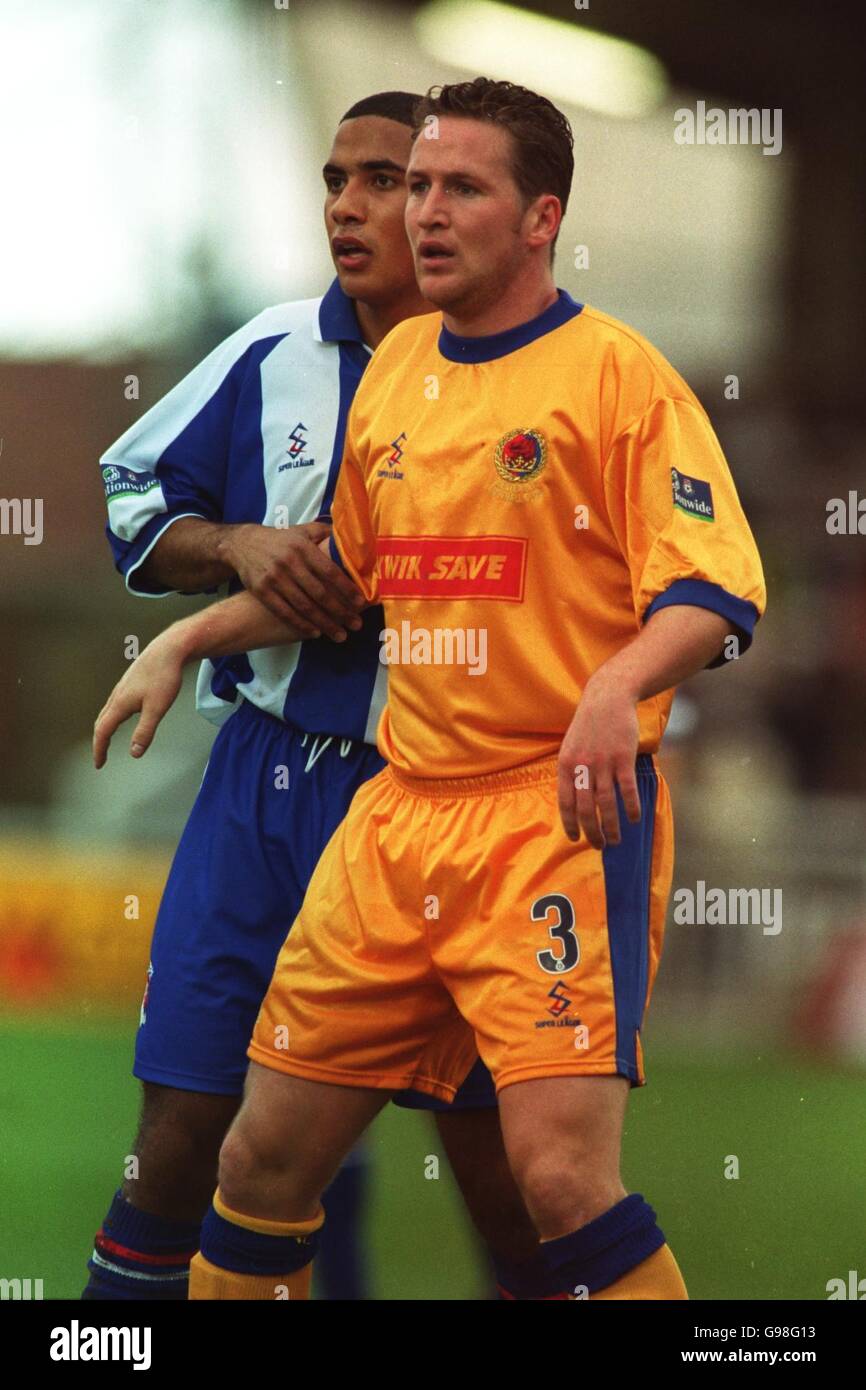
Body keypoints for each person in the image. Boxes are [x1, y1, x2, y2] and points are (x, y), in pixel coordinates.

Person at [97, 76, 766, 1302]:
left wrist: (617, 685)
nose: (421, 213)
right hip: (396, 821)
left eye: (460, 188)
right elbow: (347, 571)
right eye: (418, 185)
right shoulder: (399, 365)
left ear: (538, 218)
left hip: (547, 820)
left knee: (554, 1181)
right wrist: (189, 635)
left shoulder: (618, 379)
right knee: (256, 1161)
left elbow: (716, 590)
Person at [85, 89, 537, 1302]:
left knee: (506, 1165)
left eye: (386, 179)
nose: (352, 205)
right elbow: (130, 497)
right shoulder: (272, 351)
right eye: (337, 180)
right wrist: (230, 542)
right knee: (180, 1132)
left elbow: (387, 569)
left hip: (443, 799)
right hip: (264, 784)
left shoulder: (525, 381)